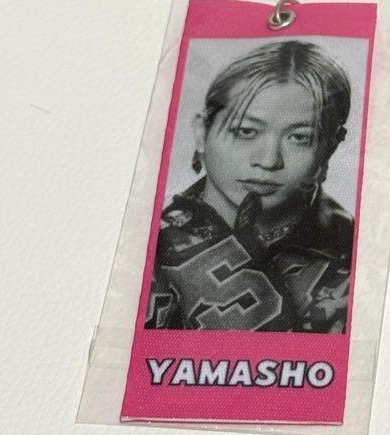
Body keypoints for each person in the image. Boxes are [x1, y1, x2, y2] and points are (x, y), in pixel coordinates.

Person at [145, 40, 354, 333]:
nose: (269, 161)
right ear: (202, 132)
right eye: (246, 131)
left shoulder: (353, 249)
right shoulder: (147, 242)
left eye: (299, 137)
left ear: (330, 146)